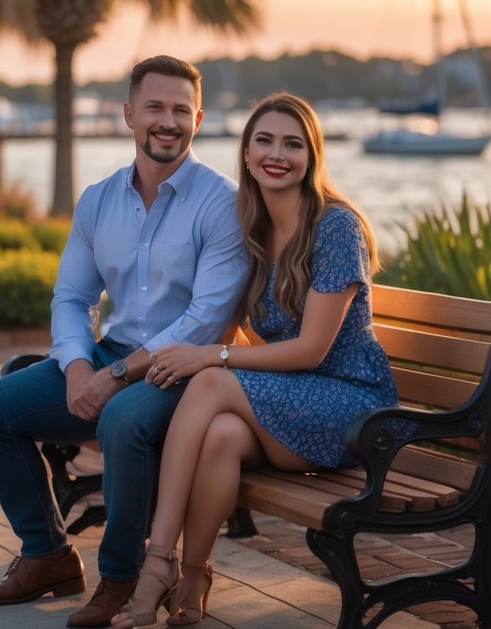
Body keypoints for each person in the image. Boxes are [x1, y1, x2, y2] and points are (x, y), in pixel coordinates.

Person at [0, 55, 249, 628]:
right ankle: (47, 555)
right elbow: (72, 297)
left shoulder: (222, 203)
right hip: (110, 357)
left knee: (120, 419)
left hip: (187, 375)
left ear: (199, 117)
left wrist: (115, 377)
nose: (167, 122)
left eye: (179, 110)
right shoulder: (98, 200)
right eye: (154, 108)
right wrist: (74, 367)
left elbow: (204, 317)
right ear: (127, 114)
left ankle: (121, 578)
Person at [109, 92, 398, 628]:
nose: (277, 154)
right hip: (297, 402)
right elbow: (225, 324)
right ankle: (193, 574)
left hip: (352, 406)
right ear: (245, 153)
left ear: (312, 156)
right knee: (218, 434)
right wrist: (199, 353)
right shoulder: (252, 229)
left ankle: (155, 566)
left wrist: (210, 357)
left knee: (213, 382)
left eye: (293, 144)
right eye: (263, 140)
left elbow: (313, 350)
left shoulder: (336, 227)